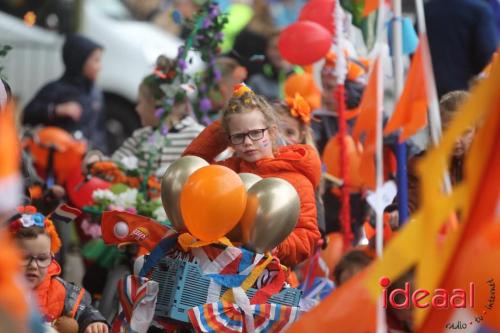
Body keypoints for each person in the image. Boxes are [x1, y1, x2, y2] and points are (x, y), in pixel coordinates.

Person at [183, 83, 321, 267]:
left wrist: (274, 245)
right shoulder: (227, 170)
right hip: (213, 266)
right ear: (228, 139)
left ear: (272, 132)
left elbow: (307, 238)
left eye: (256, 133)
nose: (248, 142)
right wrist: (226, 123)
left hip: (261, 279)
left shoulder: (297, 180)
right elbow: (191, 168)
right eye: (239, 136)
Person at [8, 206, 108, 333]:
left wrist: (93, 321)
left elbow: (84, 309)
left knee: (69, 324)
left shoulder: (61, 290)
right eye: (24, 257)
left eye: (42, 258)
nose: (34, 265)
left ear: (51, 257)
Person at [110, 55, 204, 177]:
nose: (136, 109)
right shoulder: (142, 136)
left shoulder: (198, 137)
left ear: (159, 105)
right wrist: (94, 157)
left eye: (140, 102)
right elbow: (112, 166)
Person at [23, 34, 108, 153]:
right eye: (96, 60)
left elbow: (99, 131)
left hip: (89, 160)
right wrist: (56, 110)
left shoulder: (96, 93)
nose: (100, 67)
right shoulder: (55, 89)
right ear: (79, 61)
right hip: (59, 159)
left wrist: (101, 155)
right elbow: (27, 115)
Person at [408, 91, 473, 214]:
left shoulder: (488, 164)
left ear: (477, 129)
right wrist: (399, 212)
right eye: (448, 131)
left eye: (465, 132)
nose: (456, 139)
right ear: (436, 131)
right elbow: (411, 199)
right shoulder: (422, 164)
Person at [273, 94, 325, 234]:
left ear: (301, 136)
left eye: (289, 133)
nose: (282, 138)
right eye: (277, 130)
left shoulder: (305, 166)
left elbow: (314, 200)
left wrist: (320, 230)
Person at [425, 0, 497, 98]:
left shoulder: (426, 10)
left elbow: (414, 49)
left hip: (430, 89)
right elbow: (487, 53)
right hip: (464, 90)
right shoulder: (479, 10)